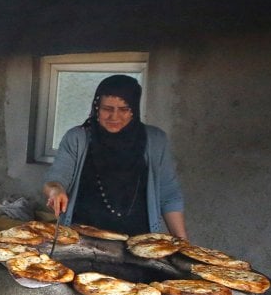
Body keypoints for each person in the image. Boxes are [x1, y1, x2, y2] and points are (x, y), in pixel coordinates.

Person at [42, 74, 187, 238]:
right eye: (107, 109)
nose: (114, 117)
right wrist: (56, 191)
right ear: (97, 107)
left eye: (124, 109)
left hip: (139, 241)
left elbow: (169, 196)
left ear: (134, 110)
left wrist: (183, 244)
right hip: (80, 238)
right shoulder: (77, 138)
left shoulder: (156, 140)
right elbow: (55, 178)